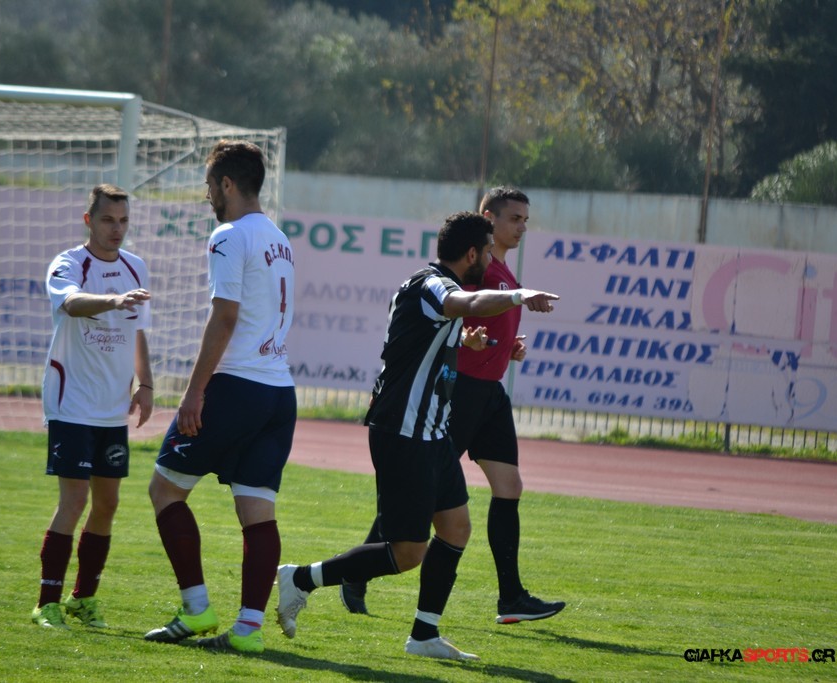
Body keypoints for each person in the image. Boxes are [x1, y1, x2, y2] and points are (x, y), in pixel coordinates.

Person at [275, 211, 559, 661]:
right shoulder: (432, 285)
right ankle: (300, 579)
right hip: (404, 432)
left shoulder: (434, 288)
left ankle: (424, 635)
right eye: (488, 251)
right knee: (408, 552)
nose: (492, 259)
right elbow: (464, 304)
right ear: (471, 254)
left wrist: (466, 343)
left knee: (456, 528)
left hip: (431, 432)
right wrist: (518, 296)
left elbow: (425, 338)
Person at [340, 187, 566, 625]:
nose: (522, 227)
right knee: (421, 493)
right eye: (514, 218)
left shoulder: (500, 268)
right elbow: (448, 314)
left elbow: (467, 325)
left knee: (509, 486)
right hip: (459, 391)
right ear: (488, 220)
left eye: (525, 219)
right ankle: (357, 571)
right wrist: (474, 334)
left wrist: (503, 349)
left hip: (490, 393)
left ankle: (511, 598)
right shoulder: (474, 268)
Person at [143, 140, 296, 655]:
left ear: (227, 184)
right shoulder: (279, 238)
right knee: (257, 511)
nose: (207, 194)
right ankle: (249, 630)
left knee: (165, 491)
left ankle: (196, 608)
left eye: (210, 184)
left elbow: (225, 317)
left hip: (236, 387)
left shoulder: (228, 235)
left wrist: (194, 392)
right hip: (279, 392)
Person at [32, 183, 153, 629]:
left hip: (111, 407)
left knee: (108, 503)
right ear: (89, 220)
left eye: (123, 221)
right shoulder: (69, 263)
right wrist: (113, 301)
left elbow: (138, 331)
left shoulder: (135, 266)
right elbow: (71, 303)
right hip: (72, 402)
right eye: (107, 220)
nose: (116, 229)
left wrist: (146, 384)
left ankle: (83, 599)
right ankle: (46, 603)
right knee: (75, 499)